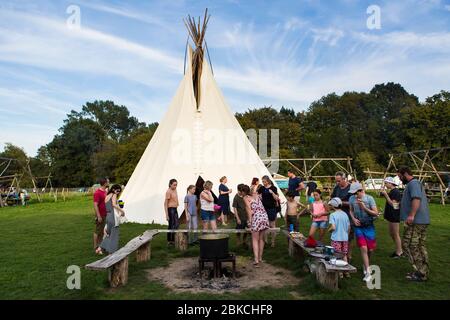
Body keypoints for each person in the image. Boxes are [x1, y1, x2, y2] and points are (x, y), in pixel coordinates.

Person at [397, 166, 430, 282]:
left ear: (405, 174)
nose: (400, 179)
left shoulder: (413, 183)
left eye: (400, 176)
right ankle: (422, 271)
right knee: (419, 245)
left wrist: (411, 215)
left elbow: (416, 199)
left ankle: (421, 273)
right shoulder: (413, 184)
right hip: (421, 220)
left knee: (410, 245)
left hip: (416, 221)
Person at [348, 182, 379, 282]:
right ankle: (368, 272)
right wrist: (353, 219)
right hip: (358, 226)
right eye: (353, 193)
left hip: (369, 226)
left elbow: (376, 213)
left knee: (370, 249)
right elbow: (351, 210)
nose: (355, 195)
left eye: (356, 193)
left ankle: (366, 264)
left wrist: (364, 207)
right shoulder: (351, 199)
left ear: (361, 191)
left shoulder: (369, 198)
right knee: (363, 248)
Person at [243, 184, 269, 267]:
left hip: (257, 218)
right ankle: (260, 258)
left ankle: (256, 260)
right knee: (261, 239)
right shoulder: (258, 195)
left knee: (255, 240)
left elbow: (249, 211)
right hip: (264, 217)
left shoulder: (246, 198)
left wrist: (250, 222)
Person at [96, 184, 125, 255]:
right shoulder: (113, 195)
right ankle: (111, 252)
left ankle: (99, 248)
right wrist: (122, 211)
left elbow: (108, 206)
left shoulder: (106, 196)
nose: (118, 192)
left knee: (109, 234)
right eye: (117, 190)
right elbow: (114, 204)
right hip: (113, 216)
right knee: (114, 235)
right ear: (113, 189)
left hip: (108, 216)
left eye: (119, 191)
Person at [331, 172, 353, 260]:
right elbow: (332, 197)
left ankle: (348, 255)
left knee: (348, 236)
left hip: (348, 215)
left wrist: (340, 202)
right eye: (336, 181)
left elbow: (352, 203)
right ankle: (340, 254)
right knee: (339, 234)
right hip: (338, 215)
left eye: (339, 181)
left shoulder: (351, 188)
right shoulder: (337, 187)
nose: (337, 183)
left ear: (344, 179)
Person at [381, 177, 403, 258]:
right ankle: (399, 249)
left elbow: (394, 205)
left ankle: (399, 252)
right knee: (391, 234)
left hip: (394, 216)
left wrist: (386, 195)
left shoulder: (396, 192)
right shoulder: (392, 191)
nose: (385, 185)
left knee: (395, 234)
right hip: (390, 215)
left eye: (386, 183)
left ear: (391, 183)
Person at [328, 197, 351, 271]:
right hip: (345, 238)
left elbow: (333, 227)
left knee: (336, 255)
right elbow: (349, 227)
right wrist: (346, 235)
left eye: (330, 205)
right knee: (344, 255)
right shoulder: (345, 214)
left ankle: (339, 272)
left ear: (333, 206)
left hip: (336, 238)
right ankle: (346, 271)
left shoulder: (332, 215)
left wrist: (329, 230)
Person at [258, 175, 280, 247]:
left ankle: (273, 241)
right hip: (263, 208)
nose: (263, 183)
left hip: (271, 208)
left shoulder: (273, 188)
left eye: (264, 181)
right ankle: (265, 240)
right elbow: (256, 194)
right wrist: (259, 196)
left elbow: (276, 198)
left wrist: (272, 193)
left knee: (272, 224)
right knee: (264, 224)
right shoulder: (262, 188)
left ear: (267, 181)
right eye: (262, 181)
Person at [93, 178, 108, 253]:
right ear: (105, 183)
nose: (108, 182)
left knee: (103, 231)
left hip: (105, 214)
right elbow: (95, 205)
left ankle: (101, 246)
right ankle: (95, 247)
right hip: (100, 215)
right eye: (108, 182)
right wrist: (98, 216)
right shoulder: (97, 193)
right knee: (97, 231)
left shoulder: (105, 191)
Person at [165, 179, 179, 245]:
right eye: (174, 185)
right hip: (171, 209)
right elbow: (165, 203)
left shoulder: (175, 190)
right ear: (170, 184)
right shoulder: (168, 191)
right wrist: (167, 215)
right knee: (171, 225)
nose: (175, 186)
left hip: (175, 208)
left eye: (176, 185)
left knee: (176, 225)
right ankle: (169, 240)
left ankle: (173, 239)